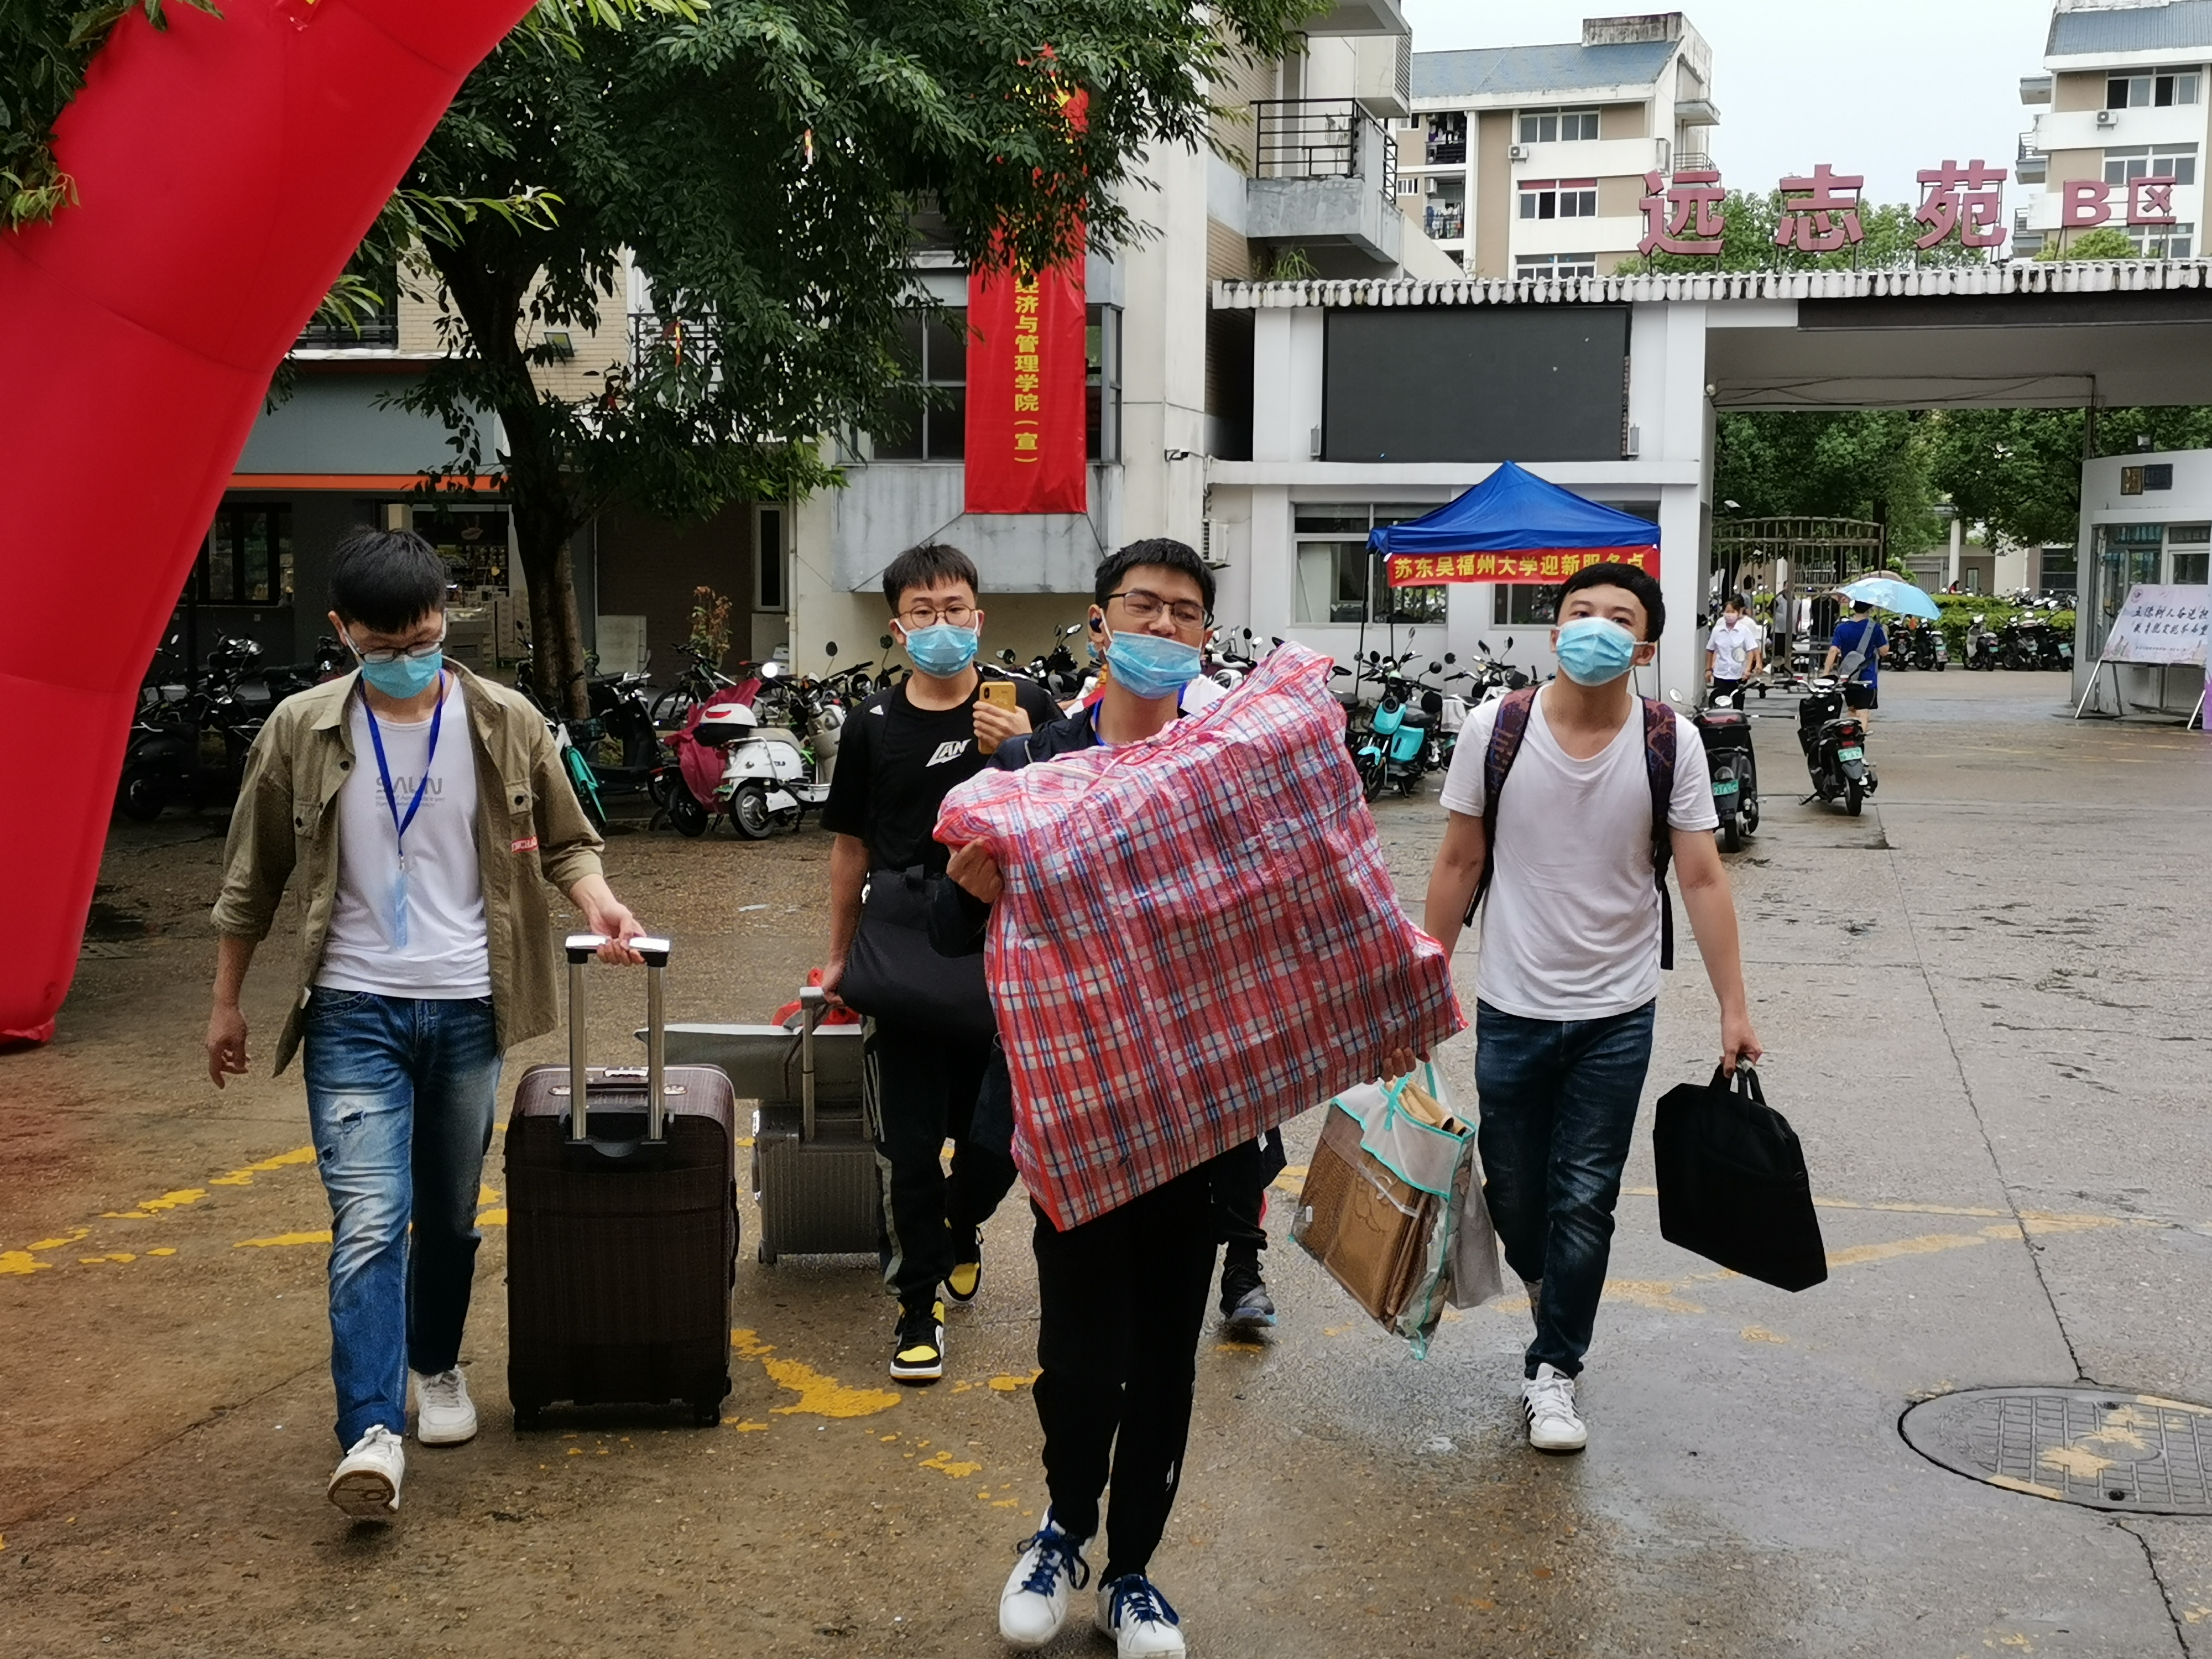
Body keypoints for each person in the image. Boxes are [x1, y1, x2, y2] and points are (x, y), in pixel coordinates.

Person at [936, 539, 1413, 1658]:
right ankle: (1062, 1528)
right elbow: (950, 931)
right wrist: (968, 894)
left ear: (1204, 636)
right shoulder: (1036, 763)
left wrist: (1382, 978)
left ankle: (1133, 1571)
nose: (1161, 628)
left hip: (1204, 1118)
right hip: (1077, 1115)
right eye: (1141, 607)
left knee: (1163, 1352)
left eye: (1183, 613)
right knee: (1077, 1350)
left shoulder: (1228, 764)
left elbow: (1297, 899)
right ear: (1101, 624)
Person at [206, 526, 645, 1520]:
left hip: (467, 1005)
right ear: (342, 631)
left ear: (447, 619)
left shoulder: (504, 719)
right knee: (370, 1220)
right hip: (352, 1007)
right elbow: (251, 878)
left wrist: (601, 904)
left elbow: (568, 843)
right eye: (383, 646)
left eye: (425, 639)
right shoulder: (301, 729)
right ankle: (370, 1431)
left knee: (446, 1215)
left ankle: (437, 1363)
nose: (408, 659)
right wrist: (226, 1002)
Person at [1418, 562, 1762, 1457]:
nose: (1598, 627)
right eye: (1582, 612)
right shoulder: (1496, 729)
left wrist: (1733, 1007)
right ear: (1555, 632)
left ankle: (1555, 1367)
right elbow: (1458, 861)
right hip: (1512, 1005)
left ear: (1643, 647)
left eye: (1619, 617)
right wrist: (1422, 983)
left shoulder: (1671, 741)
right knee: (1517, 1193)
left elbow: (1701, 876)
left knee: (1584, 1198)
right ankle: (1553, 1290)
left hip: (1618, 1010)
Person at [817, 542, 1061, 1384]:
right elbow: (851, 849)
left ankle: (963, 1221)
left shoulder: (1027, 704)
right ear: (898, 628)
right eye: (922, 613)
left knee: (998, 1142)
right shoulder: (873, 724)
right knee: (910, 1147)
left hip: (1009, 953)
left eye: (954, 609)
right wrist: (838, 958)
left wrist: (1028, 747)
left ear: (978, 617)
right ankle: (916, 1305)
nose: (941, 625)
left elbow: (1076, 812)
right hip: (905, 954)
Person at [1823, 599, 1888, 714]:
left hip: (1848, 676)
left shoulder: (1841, 628)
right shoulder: (1875, 628)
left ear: (1853, 609)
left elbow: (1833, 650)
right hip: (1868, 678)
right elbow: (1884, 652)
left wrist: (1826, 673)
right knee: (1863, 713)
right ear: (1870, 610)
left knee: (1852, 710)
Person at [1705, 593, 1763, 701]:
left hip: (1739, 672)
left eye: (1733, 612)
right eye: (1727, 612)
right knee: (1720, 701)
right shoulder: (1719, 626)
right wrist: (1709, 668)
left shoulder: (1747, 626)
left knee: (1737, 701)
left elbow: (1753, 648)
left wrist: (1756, 665)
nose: (1730, 615)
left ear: (1740, 611)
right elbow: (1712, 648)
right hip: (1721, 672)